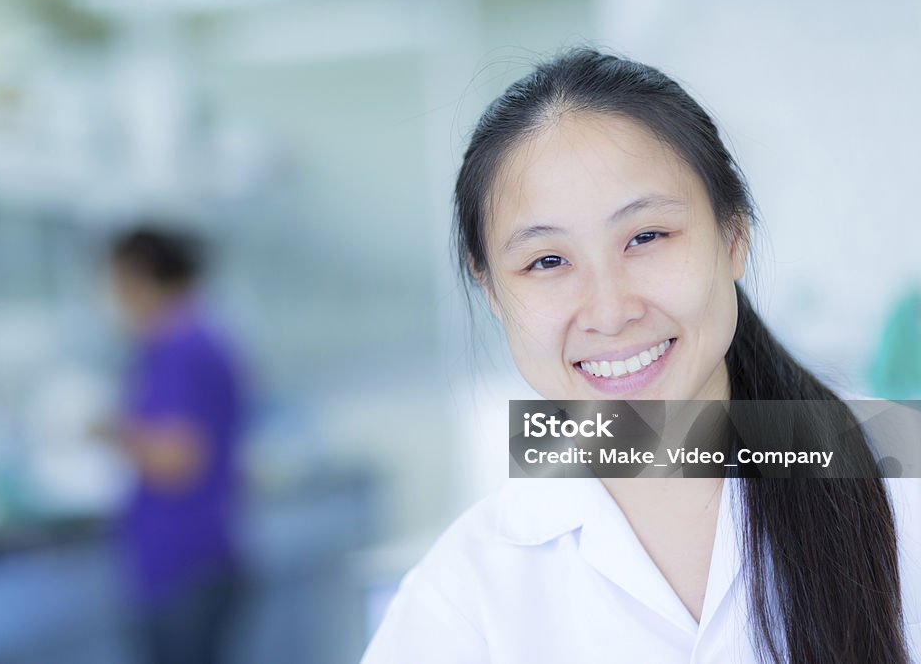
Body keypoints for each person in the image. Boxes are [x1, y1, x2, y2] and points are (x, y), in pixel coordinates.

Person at [361, 49, 921, 663]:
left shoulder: (903, 487)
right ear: (492, 290)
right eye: (547, 261)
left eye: (646, 237)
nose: (609, 311)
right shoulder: (460, 605)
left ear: (733, 236)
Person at [106, 226, 250, 664]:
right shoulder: (205, 339)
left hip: (183, 566)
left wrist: (106, 431)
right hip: (204, 556)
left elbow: (177, 457)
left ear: (140, 276)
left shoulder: (178, 347)